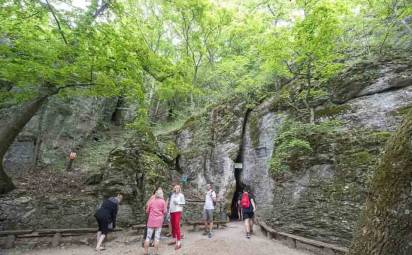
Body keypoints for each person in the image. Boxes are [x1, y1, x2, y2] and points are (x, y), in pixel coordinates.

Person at [143, 189, 167, 255]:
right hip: (159, 222)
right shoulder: (163, 201)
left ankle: (145, 252)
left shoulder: (151, 201)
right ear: (161, 194)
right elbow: (165, 211)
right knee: (157, 238)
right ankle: (155, 253)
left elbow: (147, 211)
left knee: (148, 237)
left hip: (151, 221)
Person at [169, 184, 185, 250]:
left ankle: (178, 241)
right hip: (172, 211)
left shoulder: (181, 195)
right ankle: (174, 239)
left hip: (178, 211)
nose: (176, 189)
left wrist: (178, 203)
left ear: (179, 189)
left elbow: (183, 203)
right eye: (175, 188)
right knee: (172, 225)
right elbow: (170, 203)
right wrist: (169, 211)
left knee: (176, 225)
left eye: (178, 188)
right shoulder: (172, 195)